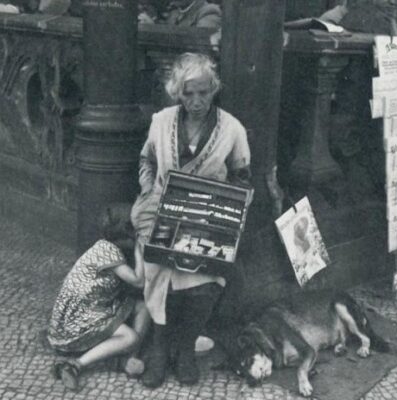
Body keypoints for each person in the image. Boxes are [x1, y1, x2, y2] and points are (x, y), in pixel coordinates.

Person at [131, 52, 251, 388]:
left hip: (205, 219)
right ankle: (157, 349)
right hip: (160, 214)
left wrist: (222, 202)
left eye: (203, 92)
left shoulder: (232, 129)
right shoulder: (161, 121)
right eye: (188, 94)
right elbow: (146, 161)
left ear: (214, 89)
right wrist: (148, 194)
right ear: (177, 93)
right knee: (161, 279)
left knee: (204, 283)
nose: (196, 101)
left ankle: (184, 349)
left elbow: (242, 177)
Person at [47, 204, 151, 391]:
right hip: (75, 321)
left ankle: (129, 358)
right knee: (130, 337)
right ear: (127, 230)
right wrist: (140, 249)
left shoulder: (104, 245)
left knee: (143, 306)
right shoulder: (108, 252)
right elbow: (138, 281)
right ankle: (75, 365)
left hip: (89, 308)